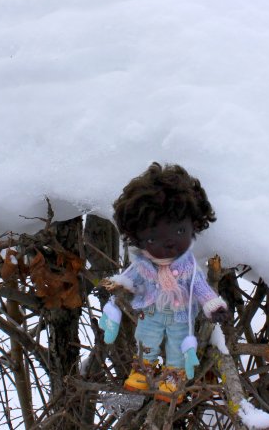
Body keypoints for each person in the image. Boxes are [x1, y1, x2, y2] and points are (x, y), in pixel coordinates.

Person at [99, 162, 229, 402]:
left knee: (178, 346)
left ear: (194, 225)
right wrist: (118, 285)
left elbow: (200, 288)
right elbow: (129, 278)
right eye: (153, 238)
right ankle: (143, 369)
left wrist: (213, 305)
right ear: (137, 238)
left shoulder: (188, 268)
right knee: (145, 338)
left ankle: (173, 376)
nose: (168, 244)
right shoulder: (142, 265)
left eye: (179, 232)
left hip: (180, 316)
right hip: (151, 313)